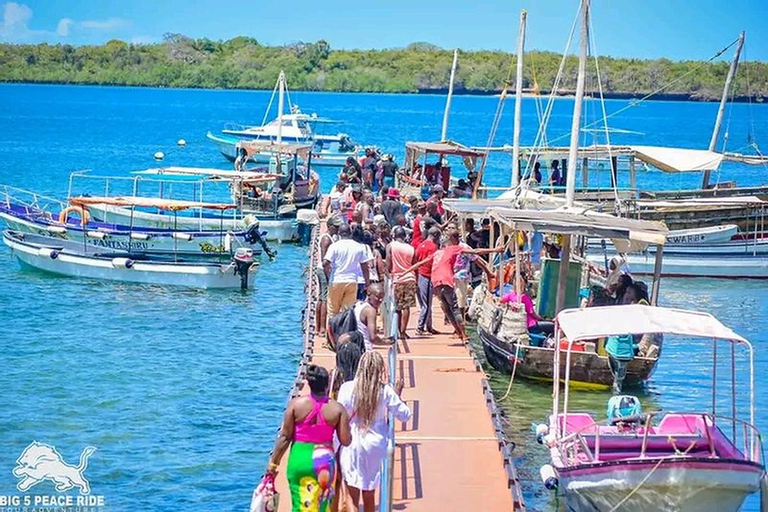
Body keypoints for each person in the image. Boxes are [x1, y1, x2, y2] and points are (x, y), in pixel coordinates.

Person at [266, 365, 351, 512]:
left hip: (300, 459)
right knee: (323, 504)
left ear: (309, 384)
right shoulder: (337, 409)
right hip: (324, 460)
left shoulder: (295, 405)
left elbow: (285, 437)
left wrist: (273, 464)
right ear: (327, 383)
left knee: (300, 503)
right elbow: (346, 440)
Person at [338, 352, 411, 512]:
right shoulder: (385, 391)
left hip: (352, 441)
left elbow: (340, 412)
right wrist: (398, 396)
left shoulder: (347, 388)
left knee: (351, 495)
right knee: (369, 494)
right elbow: (406, 415)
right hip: (376, 444)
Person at [324, 224, 371, 322]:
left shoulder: (334, 246)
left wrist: (329, 274)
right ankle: (344, 334)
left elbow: (325, 263)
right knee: (347, 311)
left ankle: (331, 335)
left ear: (339, 233)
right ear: (350, 233)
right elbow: (364, 266)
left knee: (332, 312)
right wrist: (367, 281)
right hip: (352, 281)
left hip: (336, 280)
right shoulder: (359, 247)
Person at [387, 226, 418, 340]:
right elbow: (415, 265)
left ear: (394, 235)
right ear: (404, 236)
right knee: (406, 307)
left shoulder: (391, 246)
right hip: (410, 278)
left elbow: (389, 264)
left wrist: (388, 275)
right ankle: (403, 331)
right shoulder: (411, 248)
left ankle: (397, 330)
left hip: (397, 279)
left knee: (397, 307)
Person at [316, 216, 342, 336]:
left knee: (321, 297)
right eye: (336, 226)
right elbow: (324, 260)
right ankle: (321, 328)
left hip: (322, 270)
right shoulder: (326, 239)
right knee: (325, 298)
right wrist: (330, 275)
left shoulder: (330, 238)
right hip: (324, 270)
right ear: (330, 226)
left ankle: (318, 327)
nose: (338, 229)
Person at [415, 227, 441, 335]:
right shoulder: (434, 247)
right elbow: (435, 263)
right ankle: (420, 327)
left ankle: (429, 326)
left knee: (426, 303)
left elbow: (416, 259)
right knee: (426, 305)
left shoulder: (420, 245)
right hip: (427, 276)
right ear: (435, 236)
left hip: (420, 275)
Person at [353, 282, 389, 351]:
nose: (380, 300)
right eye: (377, 296)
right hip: (365, 350)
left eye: (382, 297)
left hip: (354, 349)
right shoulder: (370, 311)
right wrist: (387, 342)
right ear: (369, 294)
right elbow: (373, 338)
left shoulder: (357, 304)